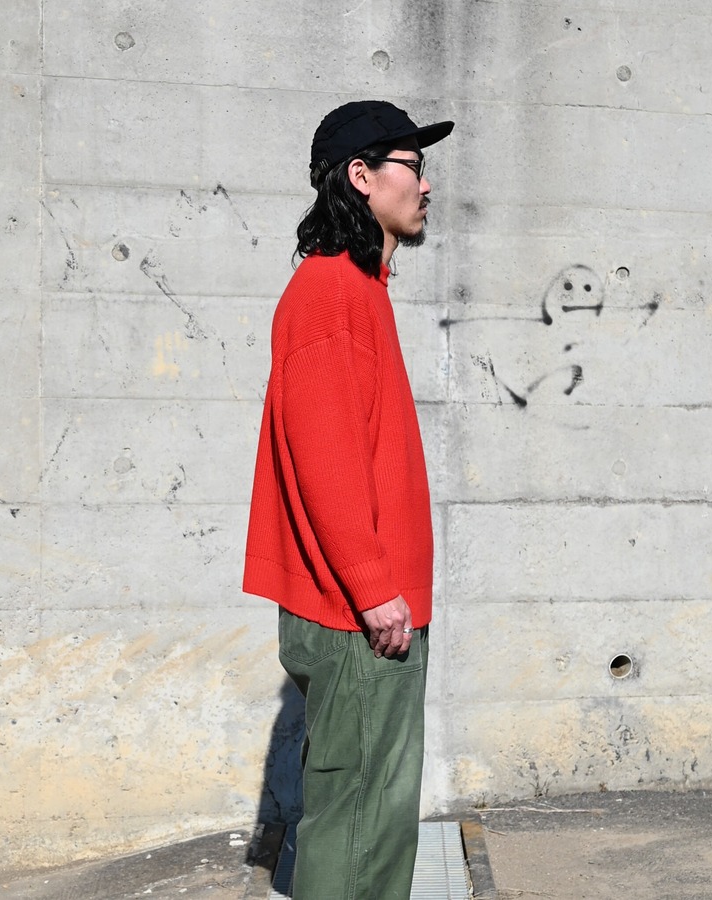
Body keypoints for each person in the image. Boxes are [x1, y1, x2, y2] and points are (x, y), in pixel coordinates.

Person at [243, 99, 454, 900]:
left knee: (372, 810)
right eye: (413, 167)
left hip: (365, 608)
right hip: (360, 614)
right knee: (362, 814)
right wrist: (372, 587)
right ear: (361, 176)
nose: (426, 186)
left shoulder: (357, 288)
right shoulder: (332, 290)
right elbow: (325, 456)